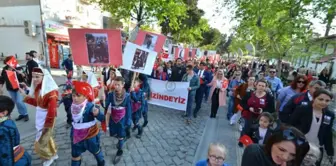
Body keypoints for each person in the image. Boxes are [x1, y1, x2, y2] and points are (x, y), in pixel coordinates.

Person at [21, 67, 59, 166]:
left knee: (42, 139)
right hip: (40, 116)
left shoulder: (51, 93)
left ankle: (48, 157)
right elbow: (38, 103)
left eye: (37, 77)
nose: (34, 79)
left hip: (47, 118)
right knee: (47, 137)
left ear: (44, 77)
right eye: (33, 77)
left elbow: (51, 112)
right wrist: (24, 95)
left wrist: (47, 126)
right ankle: (53, 154)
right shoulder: (39, 88)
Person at [290, 89, 334, 166]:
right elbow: (291, 125)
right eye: (321, 99)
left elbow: (328, 133)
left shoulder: (329, 114)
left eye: (327, 101)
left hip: (317, 147)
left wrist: (330, 151)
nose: (324, 102)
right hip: (300, 145)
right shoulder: (302, 109)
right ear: (314, 98)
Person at [70, 81, 105, 166]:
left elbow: (103, 118)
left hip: (90, 136)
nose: (75, 98)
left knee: (96, 150)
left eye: (78, 95)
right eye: (73, 95)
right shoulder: (73, 106)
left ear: (85, 96)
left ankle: (101, 162)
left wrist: (97, 114)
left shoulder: (90, 106)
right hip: (76, 136)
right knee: (75, 154)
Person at [241, 126, 309, 166]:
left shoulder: (293, 162)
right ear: (272, 142)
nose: (285, 157)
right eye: (281, 149)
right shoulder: (255, 152)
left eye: (293, 155)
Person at [0, 95, 32, 166]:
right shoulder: (6, 122)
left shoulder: (3, 130)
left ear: (3, 113)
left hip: (15, 162)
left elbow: (6, 154)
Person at [105, 76, 132, 157]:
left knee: (121, 135)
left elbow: (129, 109)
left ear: (123, 85)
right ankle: (120, 138)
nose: (116, 86)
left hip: (122, 119)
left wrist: (128, 120)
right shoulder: (110, 94)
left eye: (118, 85)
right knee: (114, 133)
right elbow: (106, 107)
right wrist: (103, 99)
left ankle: (120, 149)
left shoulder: (127, 96)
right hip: (113, 118)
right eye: (115, 84)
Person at [0, 56, 29, 121]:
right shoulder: (5, 69)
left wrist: (22, 74)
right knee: (16, 102)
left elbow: (24, 77)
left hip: (19, 88)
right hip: (10, 88)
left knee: (19, 101)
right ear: (7, 62)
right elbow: (2, 79)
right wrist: (1, 88)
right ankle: (21, 114)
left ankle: (25, 114)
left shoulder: (18, 68)